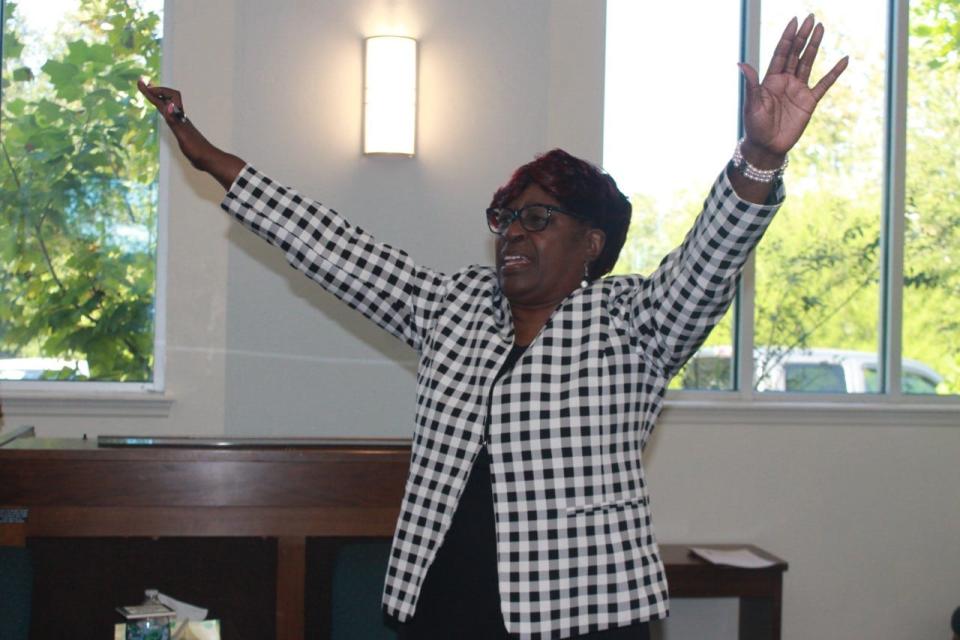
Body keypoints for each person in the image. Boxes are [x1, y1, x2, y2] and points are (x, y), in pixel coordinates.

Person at [139, 14, 846, 640]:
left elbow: (709, 258)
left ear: (591, 243)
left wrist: (761, 156)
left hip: (583, 618)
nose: (512, 232)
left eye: (537, 218)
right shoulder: (453, 306)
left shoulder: (632, 323)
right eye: (504, 217)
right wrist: (206, 154)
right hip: (443, 608)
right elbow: (330, 246)